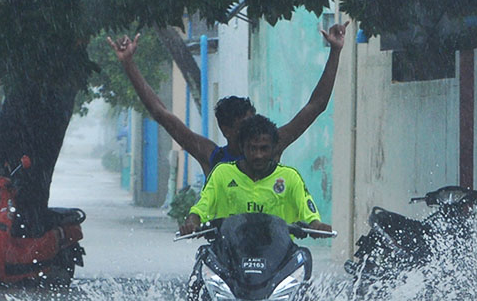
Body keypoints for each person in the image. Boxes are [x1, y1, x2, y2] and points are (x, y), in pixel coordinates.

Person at [107, 21, 349, 176]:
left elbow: (315, 106)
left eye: (262, 147)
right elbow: (162, 114)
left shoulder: (272, 144)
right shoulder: (214, 157)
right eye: (246, 128)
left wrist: (335, 51)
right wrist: (129, 65)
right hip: (226, 249)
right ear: (226, 131)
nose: (258, 151)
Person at [180, 114, 332, 236]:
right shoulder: (222, 173)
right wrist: (192, 222)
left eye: (264, 148)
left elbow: (310, 215)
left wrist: (317, 226)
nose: (258, 155)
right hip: (230, 255)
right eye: (252, 148)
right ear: (242, 147)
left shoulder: (290, 177)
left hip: (277, 258)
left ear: (274, 148)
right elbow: (201, 206)